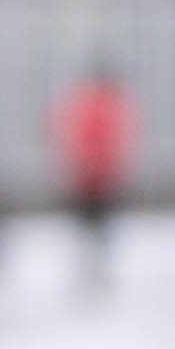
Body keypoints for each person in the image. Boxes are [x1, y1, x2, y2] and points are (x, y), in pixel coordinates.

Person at [55, 61, 134, 286]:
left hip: (99, 175)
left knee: (98, 225)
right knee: (88, 224)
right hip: (88, 175)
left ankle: (95, 267)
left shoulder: (100, 106)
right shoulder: (92, 105)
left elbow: (115, 140)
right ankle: (89, 267)